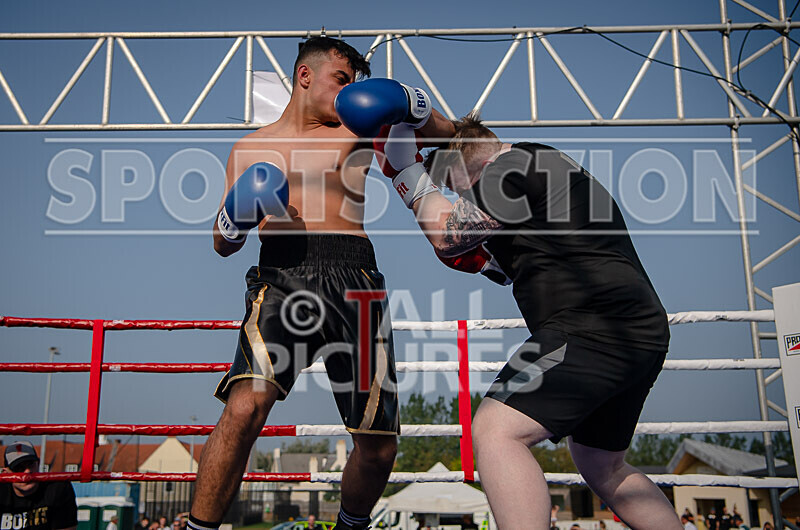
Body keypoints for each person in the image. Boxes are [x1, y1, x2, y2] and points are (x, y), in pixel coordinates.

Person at [357, 113, 678, 529]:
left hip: (592, 326)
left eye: (454, 187)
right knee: (602, 463)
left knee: (495, 431)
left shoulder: (506, 167)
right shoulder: (541, 168)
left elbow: (450, 234)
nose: (455, 196)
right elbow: (490, 258)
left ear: (461, 164)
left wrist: (410, 176)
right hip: (638, 330)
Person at [189, 36, 452, 530]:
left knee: (377, 447)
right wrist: (234, 216)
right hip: (280, 277)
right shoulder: (248, 149)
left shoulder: (356, 127)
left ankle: (350, 527)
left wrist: (412, 103)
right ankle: (197, 528)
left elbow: (441, 132)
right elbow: (223, 245)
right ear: (305, 76)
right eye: (342, 79)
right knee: (244, 408)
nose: (351, 91)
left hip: (354, 276)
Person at [0, 441, 77, 530]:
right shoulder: (2, 493)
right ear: (6, 473)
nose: (27, 471)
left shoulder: (57, 488)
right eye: (19, 468)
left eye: (31, 464)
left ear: (38, 463)